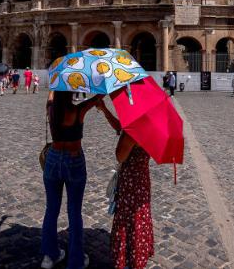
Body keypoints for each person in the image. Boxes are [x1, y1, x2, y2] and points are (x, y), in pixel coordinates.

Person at [41, 91, 120, 269]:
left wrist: (55, 85)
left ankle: (49, 255)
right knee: (74, 211)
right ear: (69, 95)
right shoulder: (78, 110)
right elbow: (97, 98)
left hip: (53, 159)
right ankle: (75, 260)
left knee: (51, 209)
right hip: (73, 159)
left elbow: (51, 96)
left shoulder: (51, 109)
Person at [111, 127, 154, 269]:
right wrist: (105, 110)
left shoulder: (134, 131)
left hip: (131, 182)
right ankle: (139, 253)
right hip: (142, 177)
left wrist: (122, 138)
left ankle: (129, 258)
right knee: (140, 216)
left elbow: (120, 156)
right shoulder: (150, 126)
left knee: (129, 219)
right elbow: (118, 126)